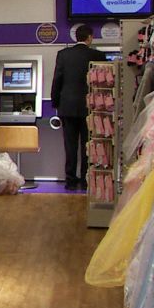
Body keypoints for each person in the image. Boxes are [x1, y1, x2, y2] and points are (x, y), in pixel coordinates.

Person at [51, 24, 106, 190]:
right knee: (88, 145)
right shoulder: (98, 55)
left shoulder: (63, 55)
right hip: (90, 107)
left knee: (70, 145)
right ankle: (85, 180)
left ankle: (70, 180)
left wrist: (56, 102)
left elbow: (57, 80)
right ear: (89, 37)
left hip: (67, 106)